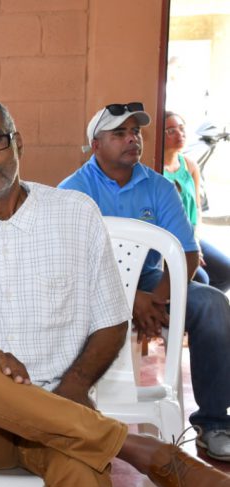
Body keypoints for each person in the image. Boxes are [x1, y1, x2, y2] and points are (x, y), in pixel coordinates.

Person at [0, 97, 230, 487]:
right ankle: (137, 448)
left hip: (63, 407)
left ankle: (94, 433)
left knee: (83, 474)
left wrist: (76, 384)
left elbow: (111, 319)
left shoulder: (75, 213)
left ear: (17, 143)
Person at [59, 102, 230, 462]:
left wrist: (154, 299)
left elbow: (186, 252)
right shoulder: (72, 191)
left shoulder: (159, 187)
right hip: (88, 284)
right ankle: (68, 406)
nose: (132, 139)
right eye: (119, 133)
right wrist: (130, 298)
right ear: (96, 145)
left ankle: (214, 423)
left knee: (212, 303)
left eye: (135, 132)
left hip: (149, 280)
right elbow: (68, 264)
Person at [163, 111, 230, 292]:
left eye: (181, 128)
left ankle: (201, 304)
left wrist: (196, 240)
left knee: (226, 271)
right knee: (201, 278)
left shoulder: (190, 165)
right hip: (171, 239)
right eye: (171, 131)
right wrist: (189, 246)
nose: (179, 134)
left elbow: (198, 209)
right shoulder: (156, 170)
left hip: (192, 235)